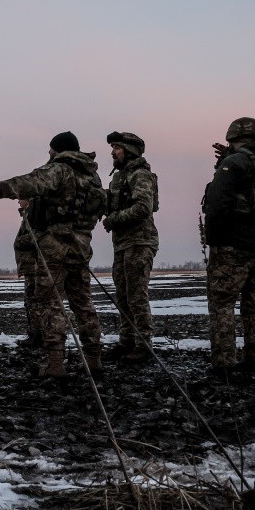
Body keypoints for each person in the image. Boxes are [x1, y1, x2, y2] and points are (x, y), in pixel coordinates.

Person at [0, 131, 105, 378]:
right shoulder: (92, 176)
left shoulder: (60, 169)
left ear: (59, 150)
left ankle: (55, 363)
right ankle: (94, 359)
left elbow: (32, 181)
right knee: (83, 303)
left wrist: (0, 188)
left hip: (55, 245)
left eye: (51, 150)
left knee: (50, 302)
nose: (48, 153)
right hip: (81, 245)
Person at [201, 117, 255, 376]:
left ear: (231, 137)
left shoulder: (233, 163)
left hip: (232, 245)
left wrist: (213, 240)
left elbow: (218, 206)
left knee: (222, 303)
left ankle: (224, 365)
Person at [102, 131, 159, 364]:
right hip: (123, 243)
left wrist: (113, 219)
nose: (113, 152)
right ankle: (126, 342)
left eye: (117, 147)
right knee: (123, 296)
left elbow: (143, 208)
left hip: (140, 241)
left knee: (136, 296)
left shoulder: (141, 175)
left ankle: (143, 345)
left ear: (130, 150)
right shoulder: (119, 177)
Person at [13, 198, 47, 348]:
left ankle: (38, 335)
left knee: (34, 300)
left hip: (34, 266)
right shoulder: (28, 216)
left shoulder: (34, 216)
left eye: (21, 199)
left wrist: (19, 241)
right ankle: (35, 333)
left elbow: (38, 235)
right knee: (30, 301)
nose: (18, 202)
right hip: (29, 266)